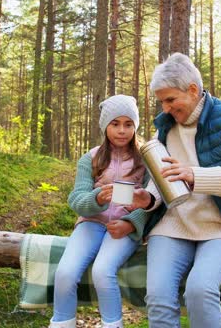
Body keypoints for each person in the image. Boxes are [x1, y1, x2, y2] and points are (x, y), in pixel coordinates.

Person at [142, 53, 221, 328]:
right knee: (157, 294)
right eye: (161, 101)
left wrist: (194, 175)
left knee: (200, 290)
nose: (164, 109)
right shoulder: (164, 126)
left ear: (192, 90)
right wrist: (148, 198)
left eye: (170, 99)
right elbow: (158, 177)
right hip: (173, 225)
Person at [49, 95, 155, 328]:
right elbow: (76, 199)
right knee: (65, 273)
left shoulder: (145, 160)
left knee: (102, 271)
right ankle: (62, 323)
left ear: (135, 127)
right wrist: (97, 198)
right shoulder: (91, 158)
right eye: (115, 124)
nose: (122, 130)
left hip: (124, 229)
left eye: (128, 124)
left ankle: (112, 324)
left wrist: (130, 223)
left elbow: (153, 203)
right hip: (91, 223)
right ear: (105, 126)